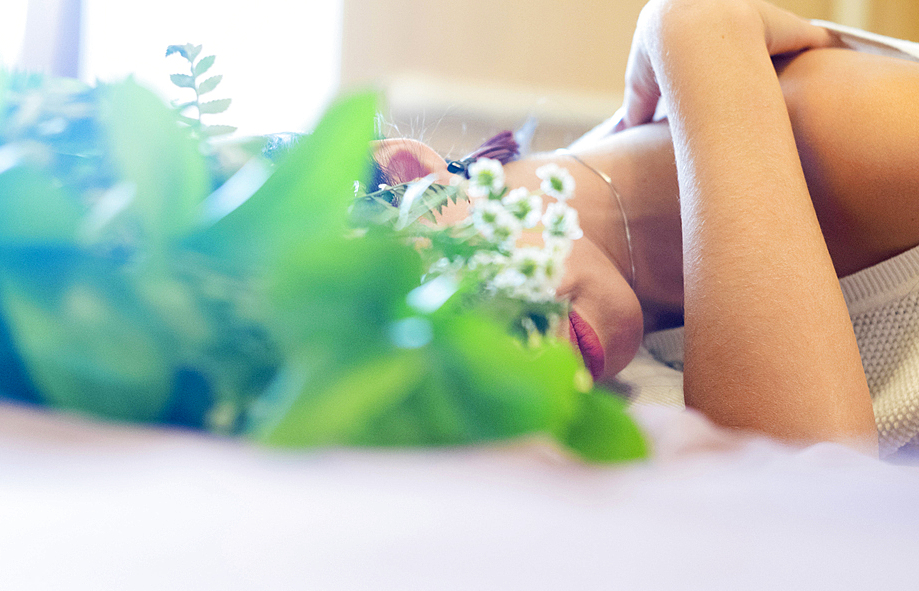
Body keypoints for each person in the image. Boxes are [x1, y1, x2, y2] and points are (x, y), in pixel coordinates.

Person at [370, 0, 919, 457]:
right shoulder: (603, 379)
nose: (522, 357)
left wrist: (693, 32)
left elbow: (812, 498)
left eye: (463, 298)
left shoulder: (837, 131)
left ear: (415, 178)